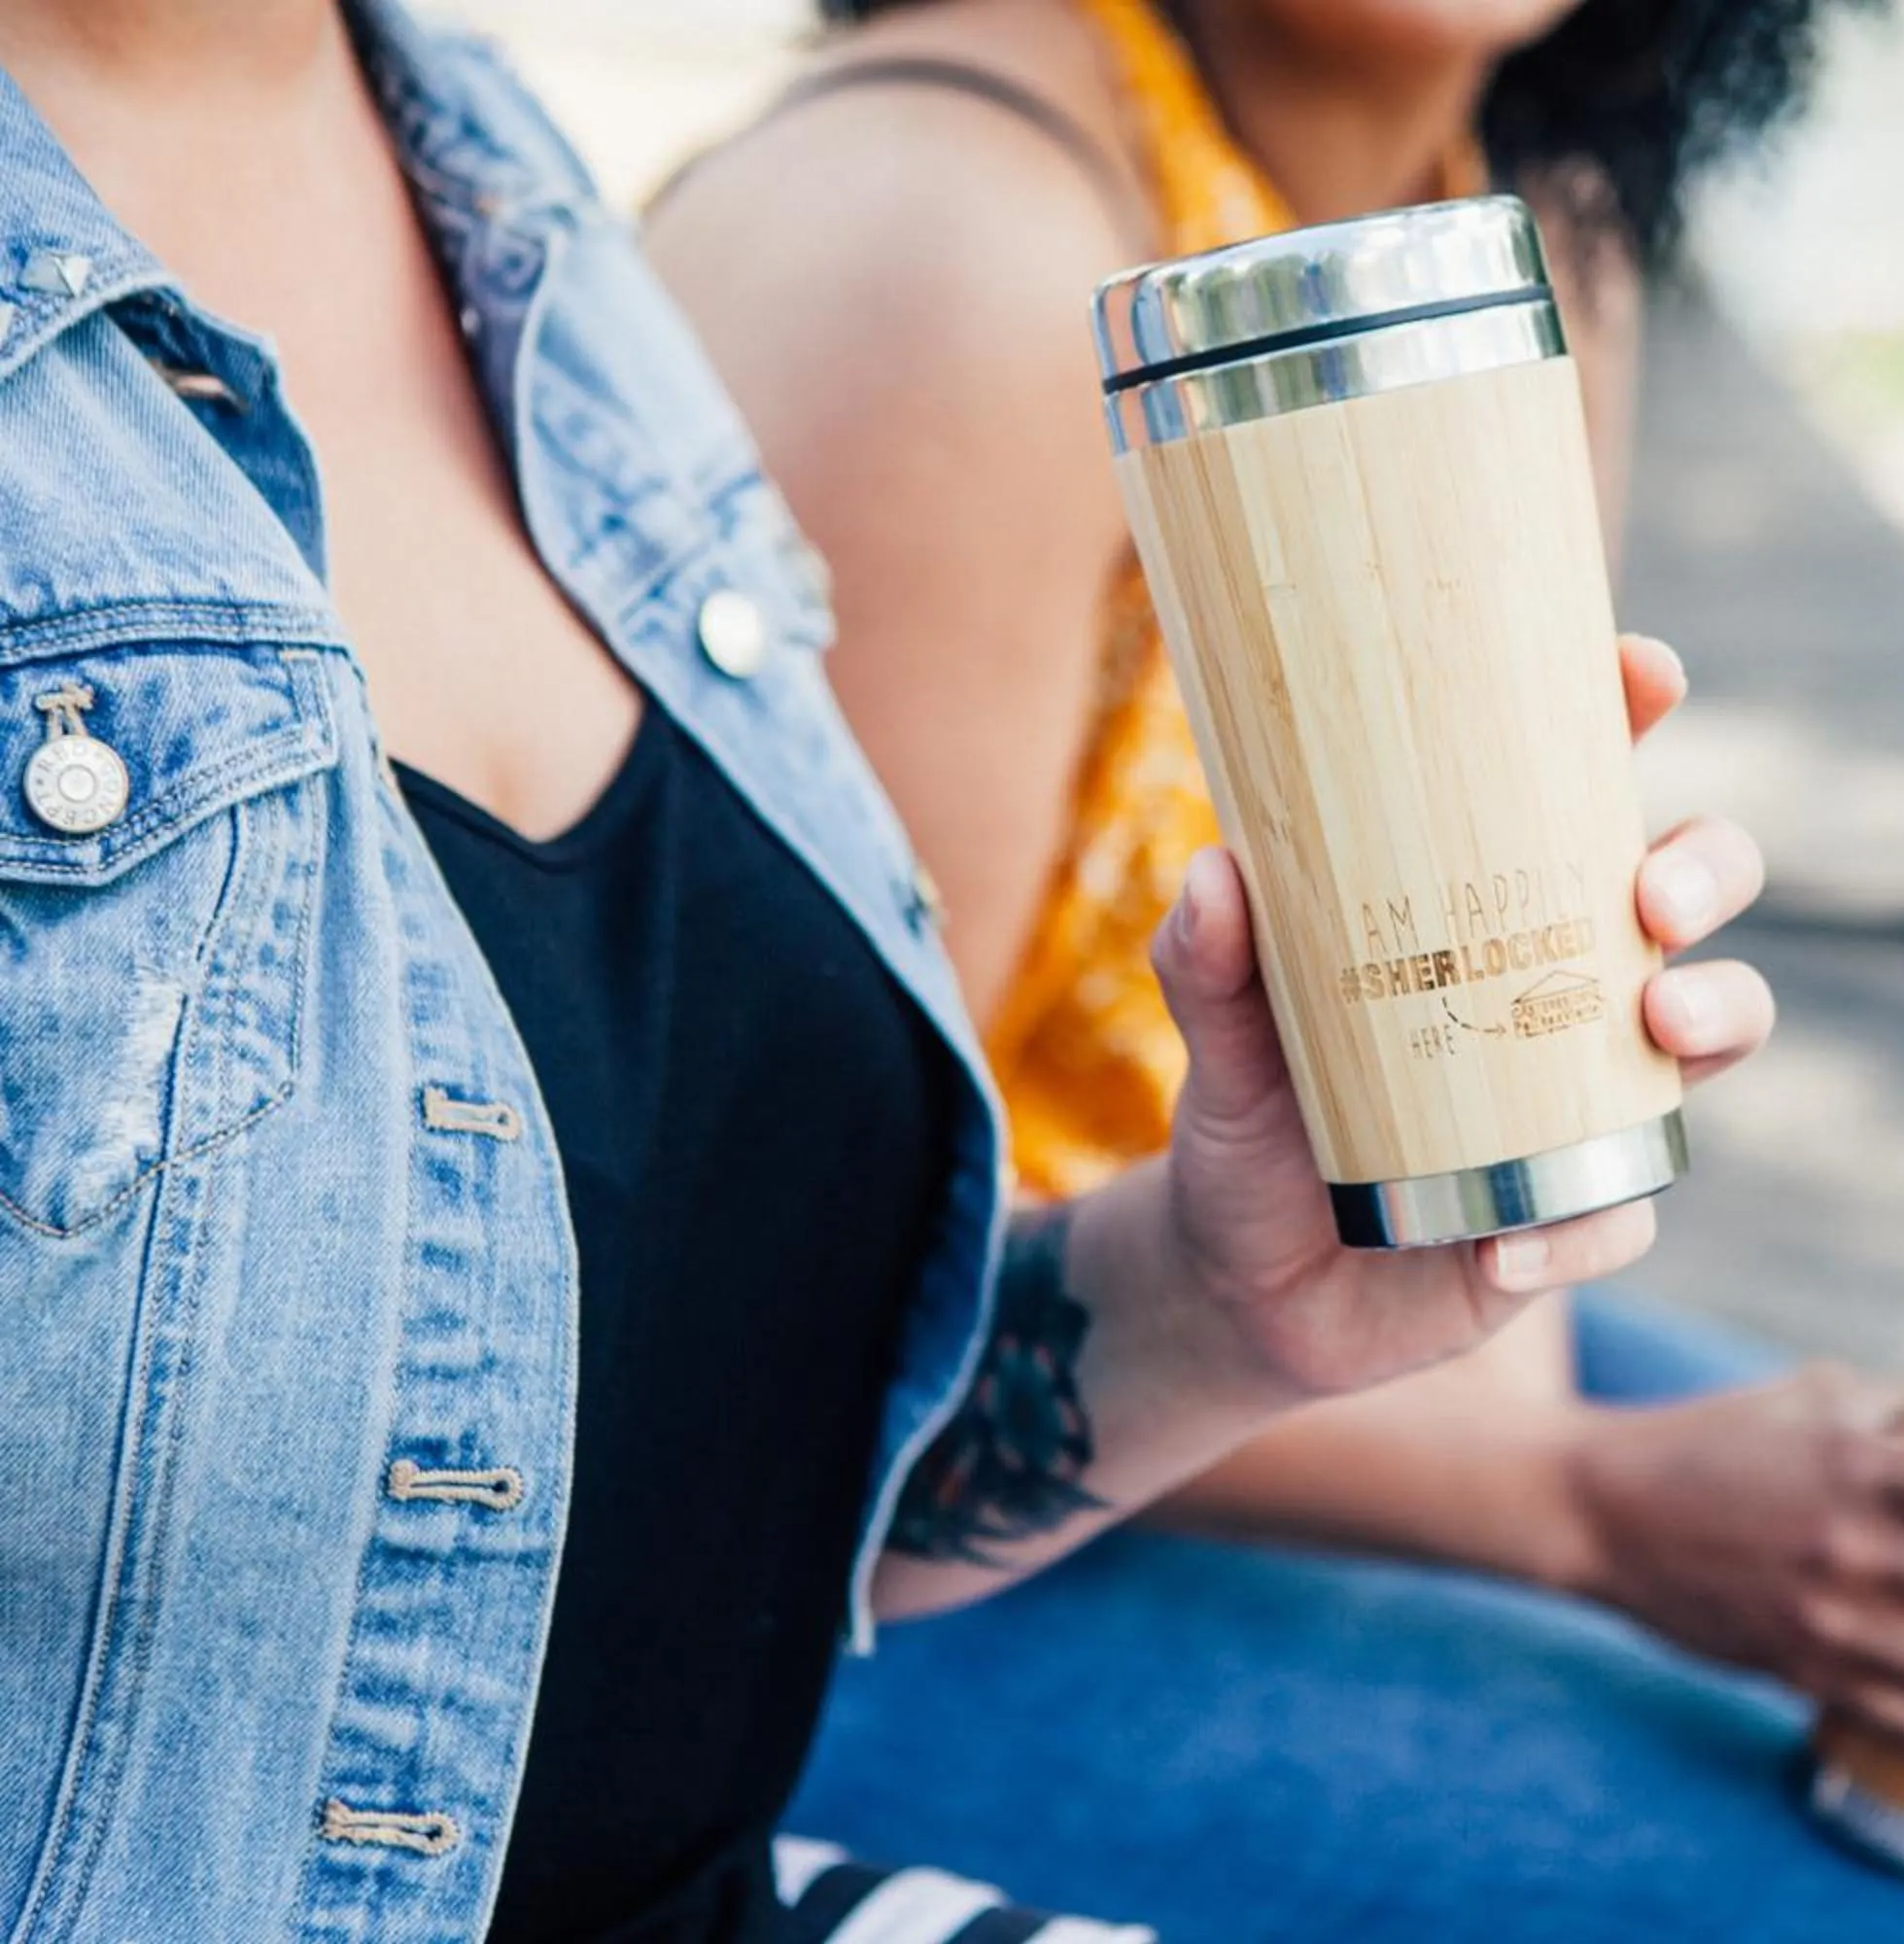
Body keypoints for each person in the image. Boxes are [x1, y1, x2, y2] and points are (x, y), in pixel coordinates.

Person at [0, 2, 1772, 1940]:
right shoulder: (935, 223)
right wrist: (1589, 1507)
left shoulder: (484, 174)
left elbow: (651, 1445)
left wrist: (1208, 1294)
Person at [647, 0, 1904, 1938]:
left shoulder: (1528, 227)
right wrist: (1585, 1512)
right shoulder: (942, 242)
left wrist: (1570, 1433)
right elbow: (764, 1337)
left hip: (1300, 1329)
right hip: (827, 1567)